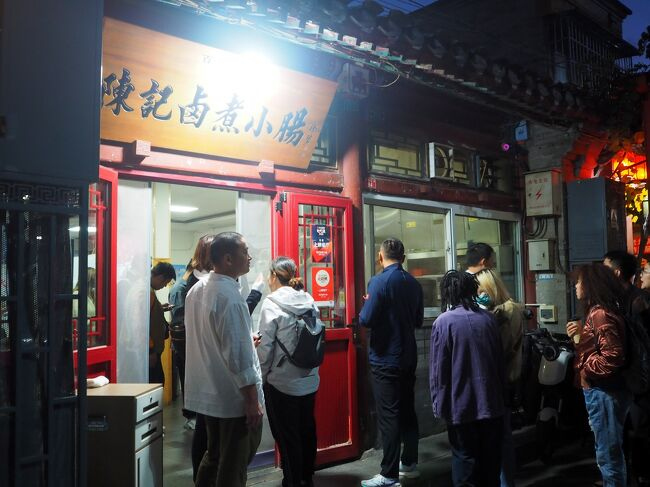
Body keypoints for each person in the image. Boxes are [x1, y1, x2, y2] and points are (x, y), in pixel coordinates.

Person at [184, 232, 264, 487]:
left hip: (210, 391)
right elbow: (238, 355)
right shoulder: (229, 297)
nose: (249, 257)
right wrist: (251, 399)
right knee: (233, 464)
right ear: (228, 259)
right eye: (245, 252)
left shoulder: (197, 290)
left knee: (214, 456)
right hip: (233, 398)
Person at [430, 270, 506, 487]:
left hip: (460, 406)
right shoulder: (488, 319)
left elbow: (439, 371)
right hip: (491, 403)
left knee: (464, 460)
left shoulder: (443, 323)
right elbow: (499, 362)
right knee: (490, 464)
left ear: (447, 293)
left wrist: (439, 405)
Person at [359, 237, 424, 487]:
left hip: (386, 357)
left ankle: (388, 474)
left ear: (380, 256)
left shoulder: (379, 282)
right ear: (403, 258)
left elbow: (366, 319)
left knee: (389, 416)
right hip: (408, 356)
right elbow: (418, 321)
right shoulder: (413, 283)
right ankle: (409, 463)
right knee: (407, 410)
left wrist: (367, 303)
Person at [256, 256, 320, 487]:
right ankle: (307, 478)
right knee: (307, 430)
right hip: (309, 379)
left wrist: (262, 378)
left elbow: (265, 348)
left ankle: (292, 481)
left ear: (274, 276)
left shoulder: (271, 304)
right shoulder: (309, 300)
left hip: (282, 383)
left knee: (287, 435)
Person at [566, 263, 631, 487]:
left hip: (604, 391)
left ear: (590, 285)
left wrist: (585, 368)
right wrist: (580, 337)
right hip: (606, 390)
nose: (575, 286)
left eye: (578, 282)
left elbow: (612, 356)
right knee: (609, 451)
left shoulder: (600, 313)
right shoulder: (603, 310)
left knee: (608, 455)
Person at [603, 250, 650, 486]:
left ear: (616, 272)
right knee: (618, 431)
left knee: (640, 430)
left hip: (638, 380)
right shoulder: (609, 301)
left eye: (605, 268)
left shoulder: (640, 300)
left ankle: (640, 474)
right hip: (619, 379)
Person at [475, 269, 524, 487]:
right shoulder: (498, 311)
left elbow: (502, 347)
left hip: (502, 380)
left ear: (491, 288)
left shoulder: (508, 311)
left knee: (501, 438)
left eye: (481, 290)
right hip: (498, 380)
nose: (479, 295)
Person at [168, 261, 195, 429]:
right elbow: (179, 322)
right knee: (187, 380)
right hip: (183, 345)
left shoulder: (183, 287)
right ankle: (191, 416)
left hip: (186, 344)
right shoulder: (181, 289)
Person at [149, 262, 175, 385]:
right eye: (165, 283)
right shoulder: (147, 294)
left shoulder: (150, 292)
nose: (164, 286)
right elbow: (141, 326)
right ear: (160, 277)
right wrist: (150, 352)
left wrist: (160, 308)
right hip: (150, 353)